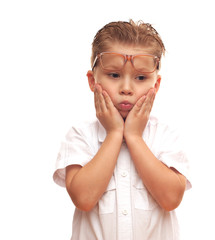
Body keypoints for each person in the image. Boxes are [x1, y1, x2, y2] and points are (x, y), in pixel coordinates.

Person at [53, 19, 192, 240]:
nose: (126, 88)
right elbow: (83, 198)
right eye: (114, 75)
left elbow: (171, 199)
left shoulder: (165, 136)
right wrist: (114, 133)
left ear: (155, 85)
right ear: (92, 81)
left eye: (140, 78)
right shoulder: (80, 136)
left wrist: (134, 137)